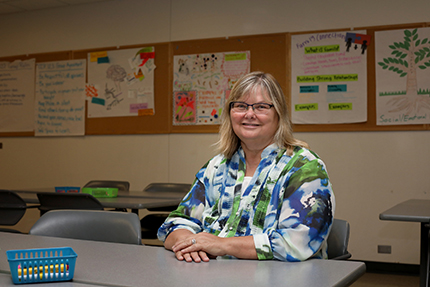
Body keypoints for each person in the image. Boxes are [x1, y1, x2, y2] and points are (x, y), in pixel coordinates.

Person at [158, 71, 335, 263]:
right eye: (240, 106)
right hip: (211, 275)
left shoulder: (305, 168)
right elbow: (176, 223)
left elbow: (296, 243)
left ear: (279, 114)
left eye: (261, 107)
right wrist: (191, 244)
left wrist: (221, 244)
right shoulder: (217, 167)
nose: (249, 114)